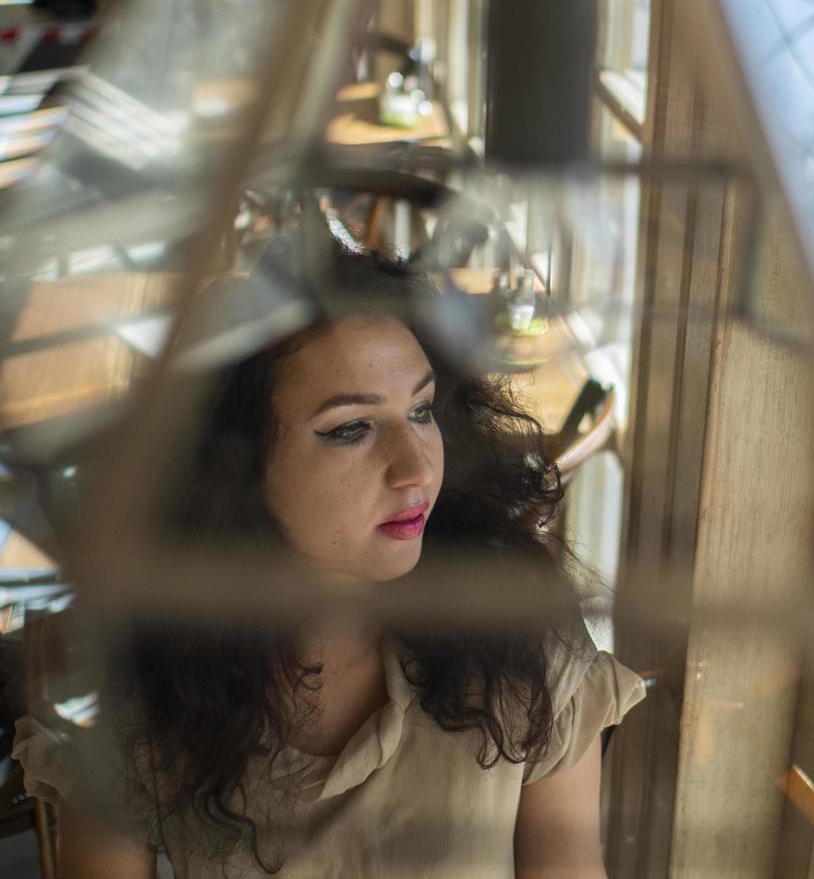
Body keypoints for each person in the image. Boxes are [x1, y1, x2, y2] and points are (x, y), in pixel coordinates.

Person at [13, 241, 644, 877]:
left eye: (421, 412)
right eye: (351, 428)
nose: (417, 468)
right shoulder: (139, 674)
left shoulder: (515, 628)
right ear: (233, 466)